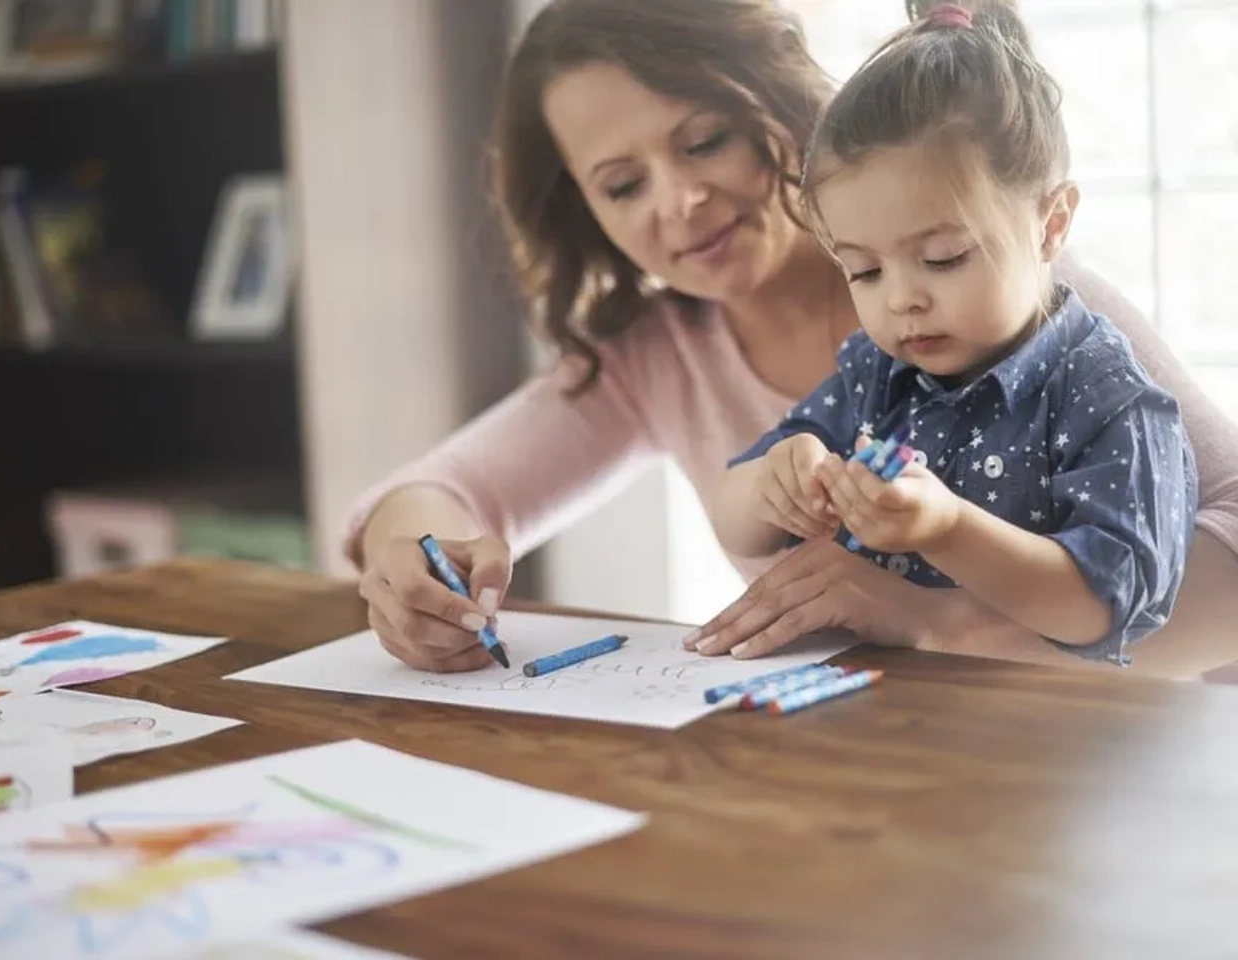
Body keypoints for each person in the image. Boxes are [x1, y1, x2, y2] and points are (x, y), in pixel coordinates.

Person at [346, 0, 1238, 678]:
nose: (678, 201)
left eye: (705, 140)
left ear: (780, 104)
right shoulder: (663, 355)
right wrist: (418, 572)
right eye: (622, 186)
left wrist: (943, 622)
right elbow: (443, 490)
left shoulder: (1016, 304)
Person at [711, 2, 1196, 667]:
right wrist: (775, 480)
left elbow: (1105, 605)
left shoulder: (1109, 398)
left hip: (1048, 739)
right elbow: (732, 510)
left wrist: (948, 528)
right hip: (882, 719)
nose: (903, 298)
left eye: (943, 258)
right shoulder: (875, 376)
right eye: (865, 269)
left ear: (1051, 224)